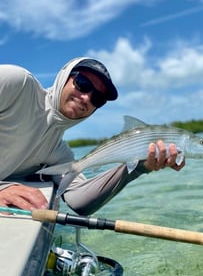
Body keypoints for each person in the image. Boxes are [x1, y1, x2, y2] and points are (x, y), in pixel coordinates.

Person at [0, 57, 184, 215]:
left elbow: (80, 202)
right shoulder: (18, 84)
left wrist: (139, 167)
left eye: (98, 99)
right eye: (83, 84)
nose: (86, 98)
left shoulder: (58, 153)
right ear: (64, 76)